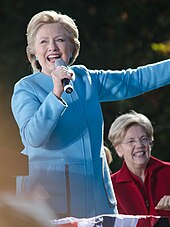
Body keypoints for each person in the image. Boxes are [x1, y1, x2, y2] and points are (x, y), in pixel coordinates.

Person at [11, 10, 170, 218]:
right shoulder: (26, 88)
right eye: (44, 41)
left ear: (72, 47)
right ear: (33, 51)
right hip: (48, 204)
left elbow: (135, 80)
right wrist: (55, 93)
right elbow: (33, 137)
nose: (52, 47)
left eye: (60, 39)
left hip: (97, 201)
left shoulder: (86, 79)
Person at [108, 110, 170, 220]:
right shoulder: (110, 187)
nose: (139, 145)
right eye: (131, 141)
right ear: (119, 149)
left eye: (144, 139)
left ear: (150, 143)